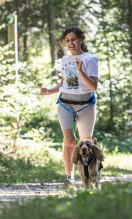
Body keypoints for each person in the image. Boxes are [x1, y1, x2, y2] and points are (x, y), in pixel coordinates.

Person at [40, 26, 99, 187]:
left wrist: (80, 71)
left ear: (81, 40)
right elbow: (65, 83)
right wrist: (50, 91)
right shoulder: (65, 60)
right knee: (69, 140)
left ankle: (90, 175)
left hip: (86, 105)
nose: (71, 43)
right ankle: (70, 178)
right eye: (67, 40)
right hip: (65, 104)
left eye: (73, 39)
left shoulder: (90, 59)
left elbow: (93, 86)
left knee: (87, 143)